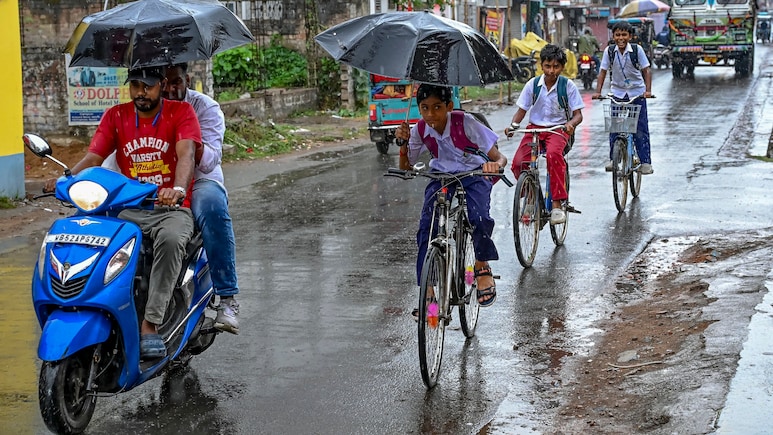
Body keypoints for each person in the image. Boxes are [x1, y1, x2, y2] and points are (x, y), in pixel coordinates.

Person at [45, 66, 201, 360]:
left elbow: (186, 155)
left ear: (162, 85)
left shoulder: (181, 113)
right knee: (90, 236)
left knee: (170, 240)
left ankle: (150, 323)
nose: (141, 92)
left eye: (149, 86)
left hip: (169, 208)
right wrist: (67, 179)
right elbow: (95, 156)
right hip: (128, 208)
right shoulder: (116, 116)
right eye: (136, 86)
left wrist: (177, 189)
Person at [395, 84, 507, 311]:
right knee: (427, 228)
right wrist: (403, 144)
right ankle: (428, 290)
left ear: (449, 106)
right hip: (441, 177)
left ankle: (481, 265)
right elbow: (406, 168)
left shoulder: (466, 123)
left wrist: (494, 165)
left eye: (437, 107)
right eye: (424, 108)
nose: (430, 114)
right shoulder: (419, 130)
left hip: (474, 175)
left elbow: (500, 157)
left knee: (478, 218)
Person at [163, 63, 241, 335]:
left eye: (176, 82)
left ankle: (228, 298)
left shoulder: (204, 108)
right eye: (163, 83)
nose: (170, 89)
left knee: (211, 207)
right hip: (156, 181)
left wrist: (189, 137)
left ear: (187, 80)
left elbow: (209, 162)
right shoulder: (145, 109)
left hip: (200, 180)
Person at [506, 44, 584, 225]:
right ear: (542, 65)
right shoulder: (532, 85)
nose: (551, 71)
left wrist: (570, 124)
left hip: (557, 129)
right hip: (535, 128)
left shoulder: (568, 86)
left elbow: (578, 115)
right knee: (518, 162)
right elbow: (522, 110)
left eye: (556, 67)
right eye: (548, 66)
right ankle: (531, 197)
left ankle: (557, 205)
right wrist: (513, 126)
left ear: (562, 67)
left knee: (553, 155)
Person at [592, 20, 654, 175]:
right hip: (617, 93)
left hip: (636, 93)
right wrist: (598, 92)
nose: (621, 38)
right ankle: (614, 159)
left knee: (640, 128)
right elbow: (603, 72)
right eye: (617, 34)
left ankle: (645, 161)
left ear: (630, 36)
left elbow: (646, 70)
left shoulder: (636, 50)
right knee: (615, 127)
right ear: (613, 36)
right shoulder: (609, 51)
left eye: (624, 35)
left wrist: (647, 91)